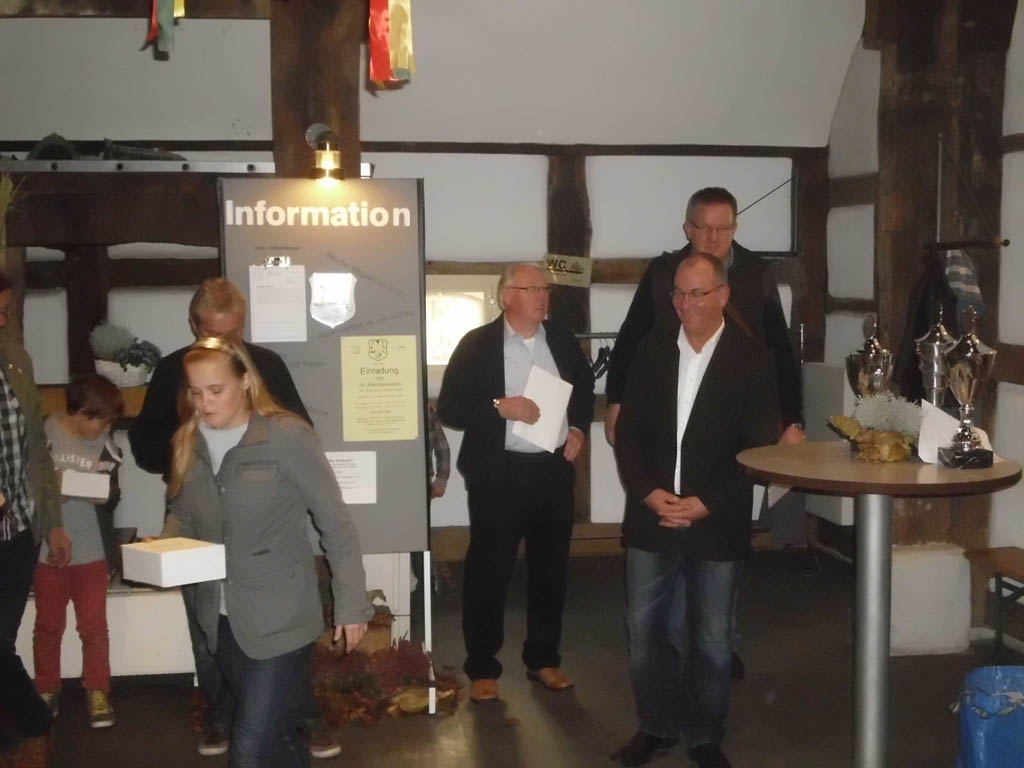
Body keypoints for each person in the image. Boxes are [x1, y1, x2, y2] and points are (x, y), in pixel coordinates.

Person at [128, 278, 340, 760]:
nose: (225, 343)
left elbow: (300, 436)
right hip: (197, 510)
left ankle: (299, 717)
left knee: (273, 644)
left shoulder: (267, 366)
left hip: (260, 525)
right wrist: (192, 452)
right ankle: (222, 713)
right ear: (194, 325)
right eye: (214, 333)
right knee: (210, 625)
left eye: (234, 332)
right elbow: (145, 446)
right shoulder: (173, 370)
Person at [159, 336, 371, 768]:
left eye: (215, 390)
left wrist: (352, 604)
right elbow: (183, 514)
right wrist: (164, 545)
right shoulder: (188, 442)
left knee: (250, 750)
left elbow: (336, 523)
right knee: (280, 738)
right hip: (220, 618)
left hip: (281, 616)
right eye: (195, 393)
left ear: (245, 381)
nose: (204, 403)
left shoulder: (286, 437)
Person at [611, 253, 779, 768]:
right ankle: (655, 726)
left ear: (723, 295)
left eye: (697, 293)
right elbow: (628, 434)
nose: (685, 304)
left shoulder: (752, 359)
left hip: (718, 519)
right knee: (645, 634)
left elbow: (758, 447)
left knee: (712, 641)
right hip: (652, 516)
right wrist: (646, 492)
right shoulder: (653, 349)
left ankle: (705, 736)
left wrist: (706, 503)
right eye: (679, 294)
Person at [437, 263, 595, 703]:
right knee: (489, 572)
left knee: (550, 571)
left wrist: (578, 428)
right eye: (532, 288)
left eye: (545, 289)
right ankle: (483, 667)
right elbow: (450, 407)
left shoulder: (560, 339)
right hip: (498, 474)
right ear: (506, 296)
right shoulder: (477, 345)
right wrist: (497, 406)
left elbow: (584, 387)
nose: (543, 296)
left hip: (551, 471)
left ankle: (544, 659)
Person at [604, 186, 802, 447]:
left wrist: (793, 421)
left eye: (723, 229)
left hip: (740, 409)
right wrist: (616, 401)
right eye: (706, 228)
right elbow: (630, 341)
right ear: (688, 229)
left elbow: (780, 349)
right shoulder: (663, 273)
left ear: (734, 228)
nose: (714, 238)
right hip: (670, 405)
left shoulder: (756, 274)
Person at [0, 271, 69, 758]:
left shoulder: (16, 360)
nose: (3, 322)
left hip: (19, 529)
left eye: (5, 311)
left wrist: (54, 520)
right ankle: (35, 721)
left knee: (2, 641)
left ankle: (21, 729)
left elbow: (37, 451)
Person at [34, 374, 123, 728]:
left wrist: (92, 489)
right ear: (83, 412)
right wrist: (52, 487)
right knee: (48, 625)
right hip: (47, 552)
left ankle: (98, 690)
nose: (106, 428)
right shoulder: (46, 431)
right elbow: (29, 482)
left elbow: (113, 495)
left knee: (94, 627)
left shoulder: (106, 445)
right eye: (102, 420)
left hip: (92, 551)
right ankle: (46, 689)